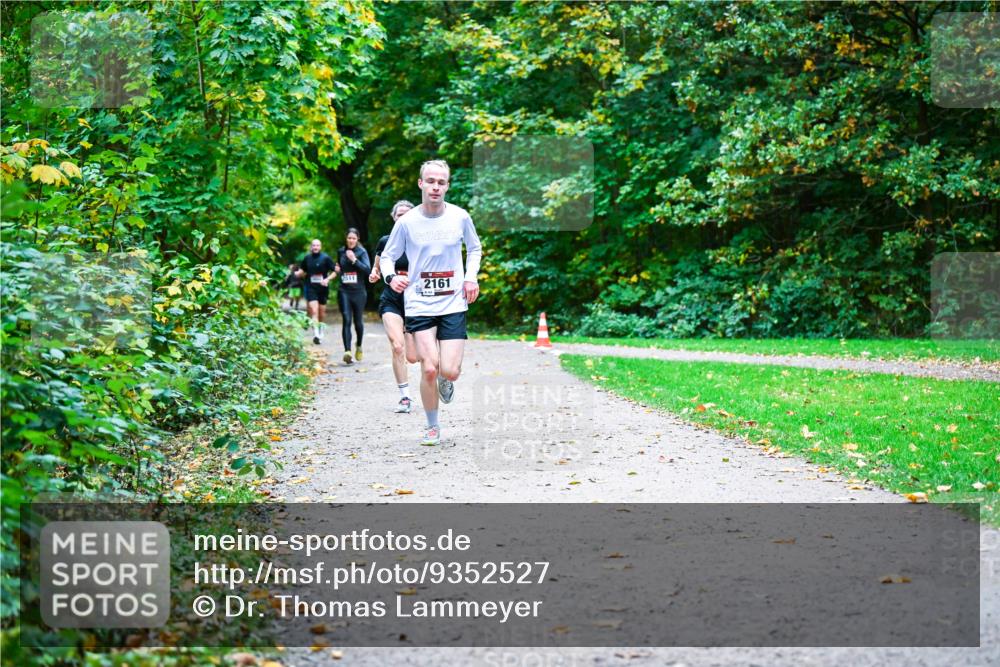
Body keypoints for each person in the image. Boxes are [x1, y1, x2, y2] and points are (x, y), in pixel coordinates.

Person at [380, 159, 482, 446]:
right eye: (431, 181)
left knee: (449, 370)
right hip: (420, 304)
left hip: (452, 303)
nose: (436, 186)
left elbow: (474, 248)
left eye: (441, 182)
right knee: (428, 367)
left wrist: (470, 277)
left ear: (447, 186)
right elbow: (387, 256)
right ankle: (432, 426)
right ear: (421, 184)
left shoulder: (460, 217)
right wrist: (390, 277)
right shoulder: (407, 221)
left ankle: (446, 379)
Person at [370, 200, 419, 413]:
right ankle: (405, 397)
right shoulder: (385, 242)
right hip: (391, 299)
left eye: (408, 214)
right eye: (400, 214)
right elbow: (376, 268)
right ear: (394, 217)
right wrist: (374, 273)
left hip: (417, 301)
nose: (403, 217)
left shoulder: (421, 242)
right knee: (397, 347)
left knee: (413, 356)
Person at [331, 228, 371, 365]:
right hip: (344, 291)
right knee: (346, 318)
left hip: (359, 292)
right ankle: (347, 351)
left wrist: (354, 260)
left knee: (358, 321)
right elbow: (340, 268)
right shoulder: (340, 251)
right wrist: (338, 270)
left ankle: (359, 345)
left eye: (354, 238)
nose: (351, 240)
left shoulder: (362, 252)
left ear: (357, 239)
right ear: (346, 238)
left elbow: (367, 270)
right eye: (349, 238)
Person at [295, 239, 335, 344]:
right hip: (311, 287)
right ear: (311, 247)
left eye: (317, 245)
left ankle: (320, 329)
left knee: (321, 313)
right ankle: (316, 334)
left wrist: (328, 279)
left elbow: (335, 271)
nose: (315, 247)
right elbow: (302, 270)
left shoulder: (325, 258)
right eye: (314, 245)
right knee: (314, 311)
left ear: (320, 247)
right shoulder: (307, 258)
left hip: (323, 289)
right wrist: (296, 273)